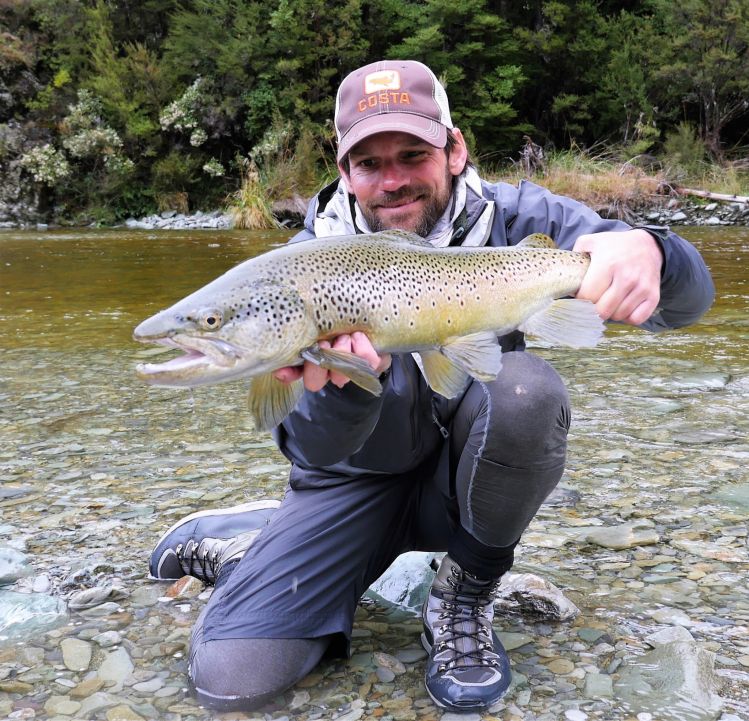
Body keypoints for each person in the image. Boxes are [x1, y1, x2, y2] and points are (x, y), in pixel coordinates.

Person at [148, 60, 714, 712]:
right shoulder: (302, 266)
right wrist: (348, 385)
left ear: (454, 150)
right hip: (352, 485)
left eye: (412, 154)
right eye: (369, 163)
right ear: (345, 174)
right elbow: (312, 452)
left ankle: (464, 590)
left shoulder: (523, 217)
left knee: (526, 391)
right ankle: (252, 538)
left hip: (468, 485)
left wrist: (652, 251)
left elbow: (685, 305)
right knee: (233, 679)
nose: (391, 180)